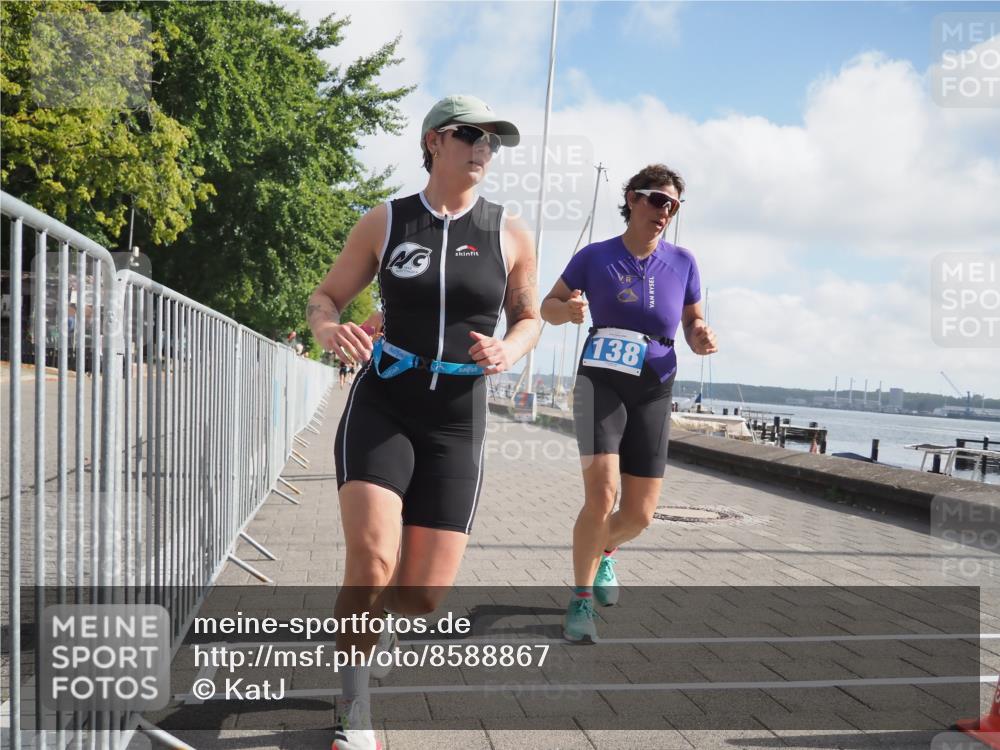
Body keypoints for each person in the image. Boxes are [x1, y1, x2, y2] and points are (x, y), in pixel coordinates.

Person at [306, 94, 540, 750]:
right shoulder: (385, 221)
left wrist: (510, 349)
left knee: (421, 596)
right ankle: (355, 710)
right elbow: (325, 297)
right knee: (372, 559)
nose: (484, 150)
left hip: (456, 424)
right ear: (435, 140)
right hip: (384, 403)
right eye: (472, 135)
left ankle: (364, 625)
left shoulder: (510, 233)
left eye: (494, 141)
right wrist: (330, 330)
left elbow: (529, 316)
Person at [540, 163, 717, 644]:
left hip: (655, 384)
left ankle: (605, 553)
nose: (665, 211)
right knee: (603, 494)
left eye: (673, 205)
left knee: (639, 515)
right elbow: (547, 307)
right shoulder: (595, 257)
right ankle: (579, 601)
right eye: (657, 200)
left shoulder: (683, 261)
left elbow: (693, 321)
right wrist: (568, 310)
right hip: (602, 381)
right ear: (632, 199)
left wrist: (699, 336)